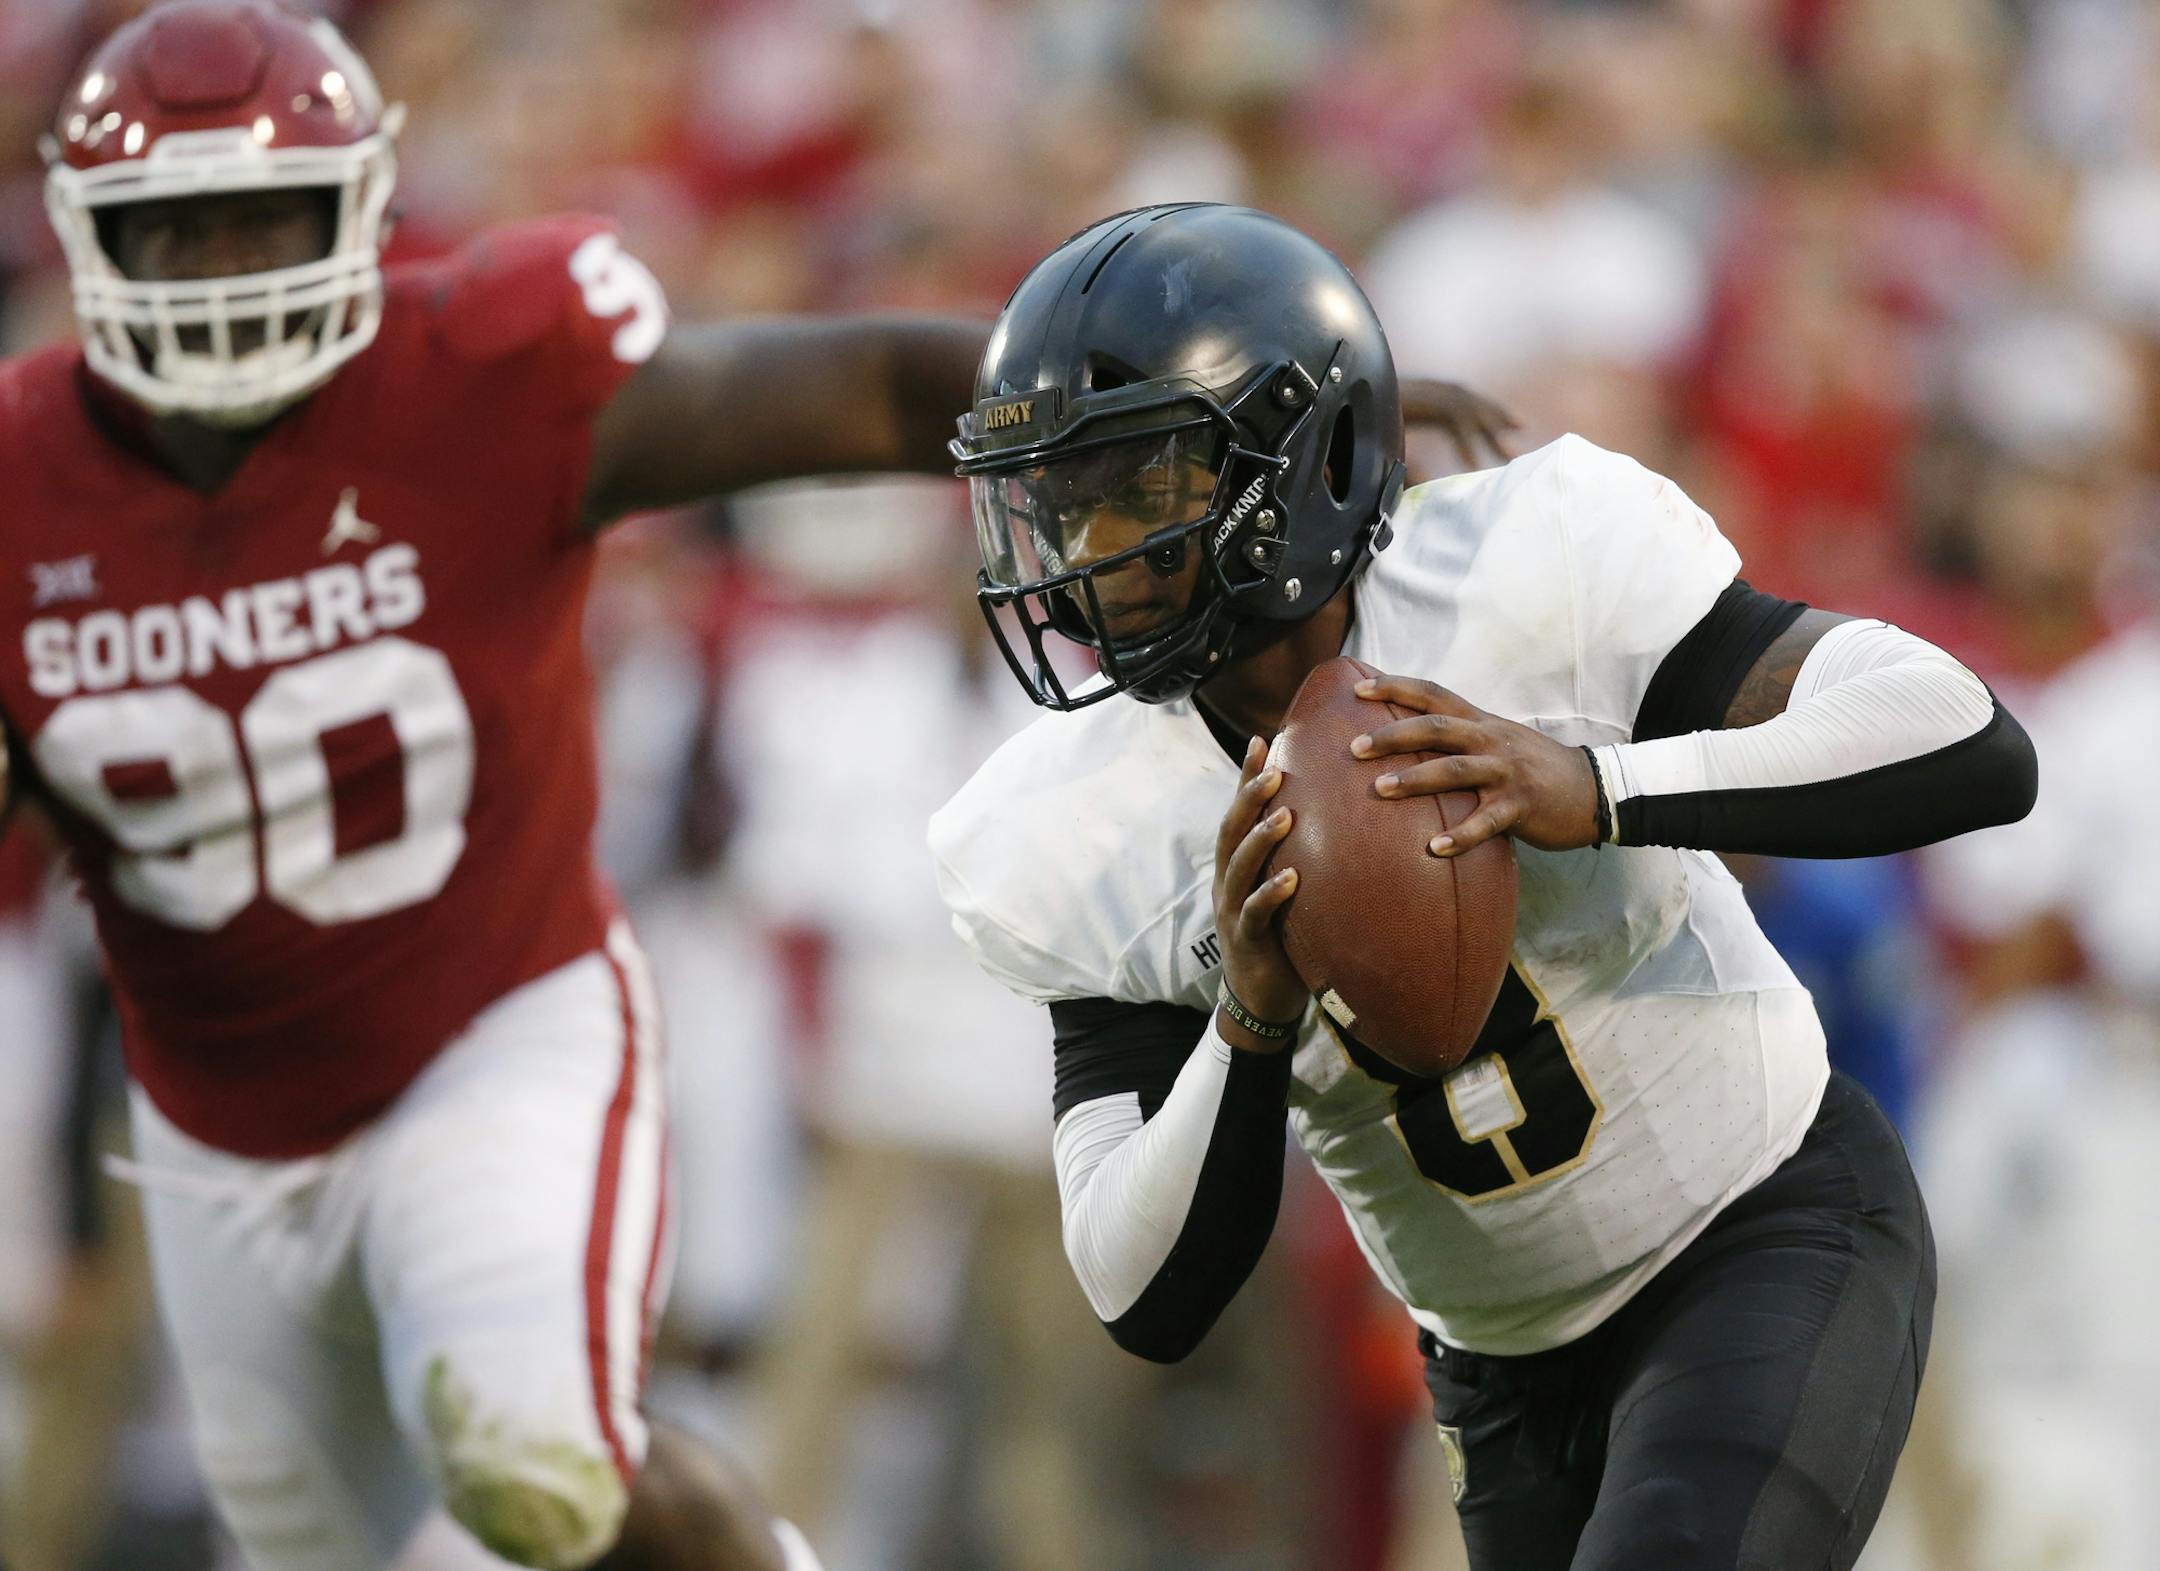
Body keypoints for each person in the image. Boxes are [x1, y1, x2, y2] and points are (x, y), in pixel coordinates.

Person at [0, 9, 1509, 1565]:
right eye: (172, 232)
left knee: (542, 1463)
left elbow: (853, 390)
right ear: (82, 236)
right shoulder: (21, 472)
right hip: (216, 1120)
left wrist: (1228, 417)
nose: (225, 273)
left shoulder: (475, 378)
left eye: (266, 221)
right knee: (323, 1551)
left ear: (362, 209)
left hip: (487, 1035)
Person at [928, 202, 2038, 1571]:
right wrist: (1249, 1018)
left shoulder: (1532, 562)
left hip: (1760, 1225)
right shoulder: (1066, 823)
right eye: (1058, 499)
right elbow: (1137, 1282)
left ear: (1308, 459)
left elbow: (1967, 735)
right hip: (1498, 1372)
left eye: (1137, 486)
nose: (1087, 550)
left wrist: (1595, 788)